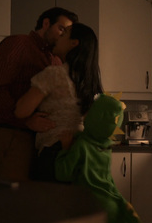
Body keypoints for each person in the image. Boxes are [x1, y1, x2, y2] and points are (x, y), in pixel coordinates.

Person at [0, 7, 78, 182]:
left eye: (67, 33)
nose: (62, 36)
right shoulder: (18, 44)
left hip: (39, 140)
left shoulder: (55, 59)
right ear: (46, 23)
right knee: (14, 200)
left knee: (33, 201)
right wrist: (26, 119)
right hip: (13, 134)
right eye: (61, 29)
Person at [14, 22, 103, 182]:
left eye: (64, 34)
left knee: (47, 204)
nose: (57, 37)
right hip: (80, 153)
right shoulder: (91, 82)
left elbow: (21, 110)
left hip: (54, 151)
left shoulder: (54, 74)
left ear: (73, 43)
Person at [55, 94, 141, 223]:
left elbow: (63, 174)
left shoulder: (82, 145)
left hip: (91, 205)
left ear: (96, 116)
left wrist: (65, 149)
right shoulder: (106, 147)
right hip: (110, 204)